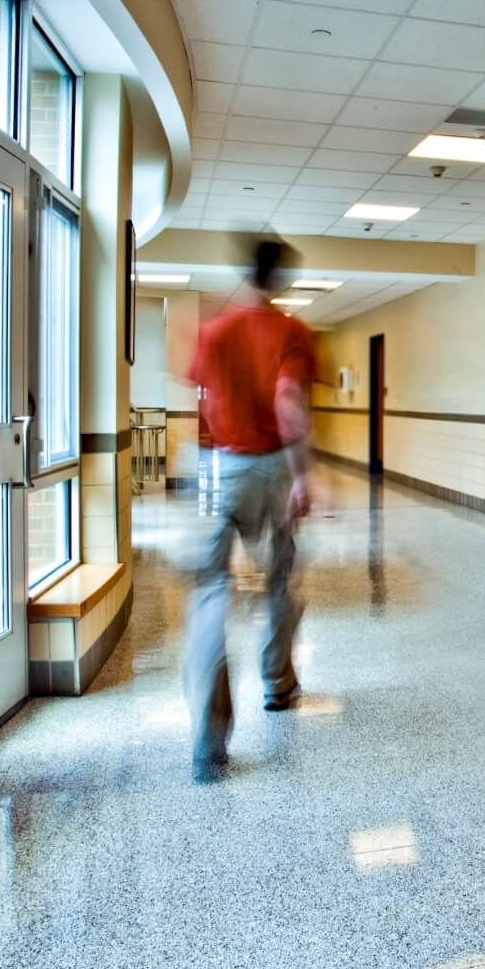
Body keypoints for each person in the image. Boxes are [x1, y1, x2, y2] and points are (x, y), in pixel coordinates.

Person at [182, 237, 317, 783]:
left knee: (212, 589)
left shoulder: (215, 332)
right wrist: (303, 473)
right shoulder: (291, 333)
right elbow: (287, 402)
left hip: (220, 467)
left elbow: (202, 398)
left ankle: (209, 736)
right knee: (278, 581)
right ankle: (278, 683)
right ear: (281, 280)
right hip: (272, 468)